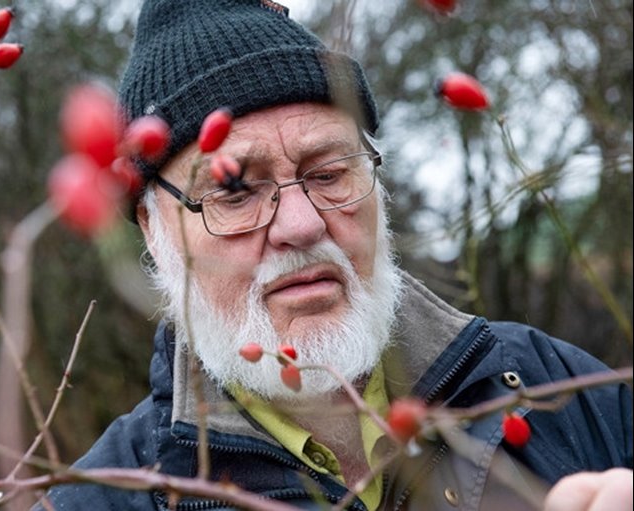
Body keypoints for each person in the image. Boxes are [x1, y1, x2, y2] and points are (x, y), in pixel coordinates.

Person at [35, 1, 633, 509]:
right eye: (235, 190)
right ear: (151, 226)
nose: (302, 224)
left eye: (328, 173)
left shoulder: (568, 395)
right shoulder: (106, 495)